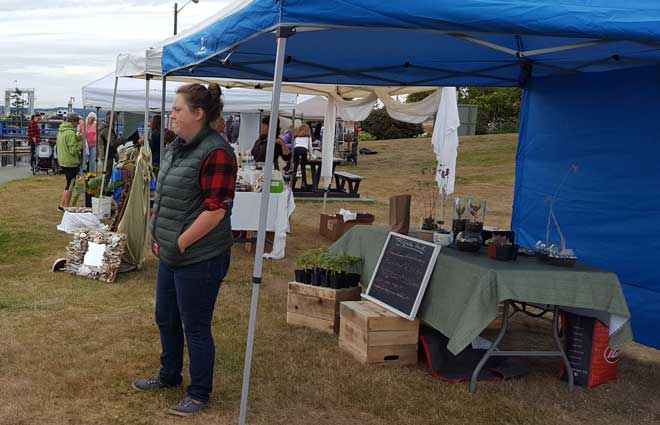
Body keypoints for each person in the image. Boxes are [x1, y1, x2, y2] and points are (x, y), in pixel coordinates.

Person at [133, 83, 237, 417]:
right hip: (172, 253)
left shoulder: (216, 152)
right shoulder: (178, 146)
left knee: (195, 325)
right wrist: (160, 234)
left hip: (200, 256)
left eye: (177, 109)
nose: (172, 115)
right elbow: (168, 197)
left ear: (198, 113)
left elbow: (216, 210)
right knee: (166, 316)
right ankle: (169, 376)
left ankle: (199, 392)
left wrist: (179, 242)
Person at [56, 115, 82, 211]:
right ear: (73, 122)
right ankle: (66, 206)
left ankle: (61, 205)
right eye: (77, 122)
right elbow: (73, 150)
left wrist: (77, 138)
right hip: (70, 162)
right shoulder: (70, 133)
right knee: (70, 185)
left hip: (63, 160)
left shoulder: (61, 132)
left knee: (68, 183)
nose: (77, 125)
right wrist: (80, 143)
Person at [97, 113, 123, 177]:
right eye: (115, 119)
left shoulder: (106, 127)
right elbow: (112, 142)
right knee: (107, 174)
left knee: (107, 173)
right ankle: (104, 186)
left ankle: (104, 185)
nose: (115, 121)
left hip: (106, 153)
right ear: (110, 118)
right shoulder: (106, 129)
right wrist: (122, 139)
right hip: (106, 154)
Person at [292, 123, 313, 190]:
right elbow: (310, 146)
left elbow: (294, 145)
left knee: (295, 166)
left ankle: (293, 182)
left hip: (296, 149)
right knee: (303, 167)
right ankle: (304, 183)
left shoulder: (297, 136)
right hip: (304, 150)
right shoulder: (308, 137)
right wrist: (310, 155)